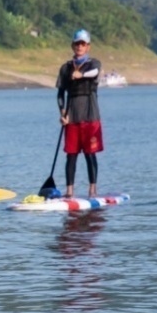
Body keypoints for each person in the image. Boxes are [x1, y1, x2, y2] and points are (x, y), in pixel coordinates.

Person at [56, 29, 103, 198]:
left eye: (83, 44)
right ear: (72, 46)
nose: (80, 47)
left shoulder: (94, 64)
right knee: (71, 156)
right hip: (72, 117)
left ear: (88, 46)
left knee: (90, 155)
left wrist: (81, 74)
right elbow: (60, 93)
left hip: (90, 116)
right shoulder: (65, 68)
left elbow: (95, 73)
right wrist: (62, 113)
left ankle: (92, 190)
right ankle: (69, 192)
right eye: (77, 44)